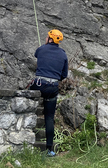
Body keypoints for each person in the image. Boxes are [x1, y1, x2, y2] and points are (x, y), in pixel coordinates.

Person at [29, 29, 68, 157]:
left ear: (50, 39)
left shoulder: (41, 49)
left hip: (39, 84)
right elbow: (64, 75)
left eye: (47, 37)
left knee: (27, 101)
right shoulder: (63, 54)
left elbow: (36, 54)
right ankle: (50, 149)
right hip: (53, 87)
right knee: (49, 117)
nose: (46, 38)